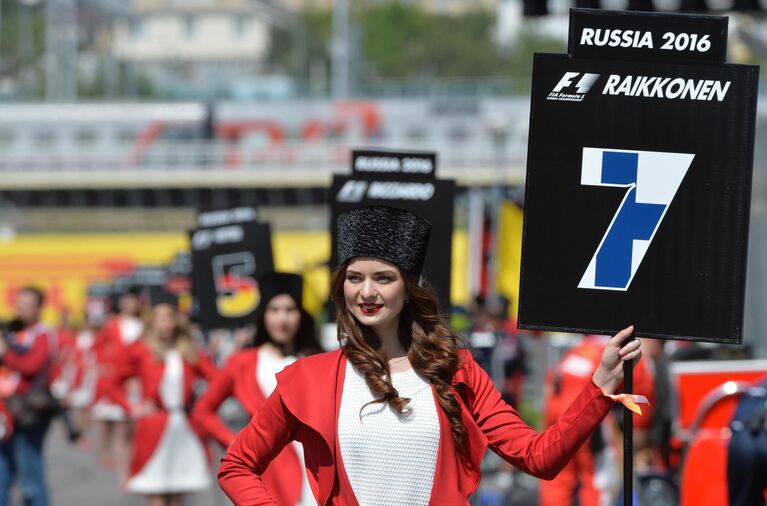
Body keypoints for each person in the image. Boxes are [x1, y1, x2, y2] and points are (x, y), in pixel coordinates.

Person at [218, 205, 643, 505]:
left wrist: (600, 387)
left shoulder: (455, 370)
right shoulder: (308, 379)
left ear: (408, 287)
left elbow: (538, 457)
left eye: (383, 278)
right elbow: (236, 465)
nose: (366, 293)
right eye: (355, 278)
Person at [192, 272, 322, 505]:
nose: (282, 318)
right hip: (269, 465)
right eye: (274, 310)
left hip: (315, 460)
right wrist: (233, 442)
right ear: (263, 315)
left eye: (290, 309)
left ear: (301, 314)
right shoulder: (243, 362)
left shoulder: (317, 360)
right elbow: (203, 409)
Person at [106, 294, 215, 506]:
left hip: (184, 424)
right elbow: (113, 382)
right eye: (159, 317)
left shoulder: (189, 351)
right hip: (154, 424)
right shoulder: (142, 349)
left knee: (178, 492)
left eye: (168, 317)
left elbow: (218, 379)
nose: (164, 323)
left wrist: (204, 404)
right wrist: (132, 408)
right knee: (155, 490)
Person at [0, 286, 58, 506]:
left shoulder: (43, 333)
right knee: (2, 473)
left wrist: (6, 353)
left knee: (30, 475)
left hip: (29, 411)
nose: (21, 309)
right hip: (5, 410)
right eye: (19, 304)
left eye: (27, 305)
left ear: (39, 308)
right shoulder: (11, 330)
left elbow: (33, 365)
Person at [92, 286, 144, 475]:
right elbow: (98, 346)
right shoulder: (111, 324)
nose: (130, 304)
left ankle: (130, 465)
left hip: (135, 381)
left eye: (133, 300)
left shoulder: (144, 325)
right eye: (127, 300)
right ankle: (109, 455)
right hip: (115, 378)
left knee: (129, 426)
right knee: (110, 420)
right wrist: (102, 365)